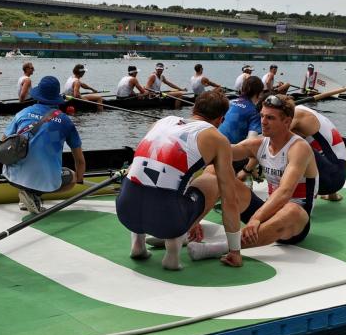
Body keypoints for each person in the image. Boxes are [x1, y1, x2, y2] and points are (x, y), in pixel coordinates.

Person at [116, 91, 243, 270]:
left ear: (193, 108)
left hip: (125, 212)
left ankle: (138, 244)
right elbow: (230, 199)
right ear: (220, 120)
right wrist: (235, 251)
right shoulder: (217, 139)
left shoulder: (161, 122)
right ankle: (172, 255)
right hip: (167, 220)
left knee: (142, 175)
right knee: (212, 181)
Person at [190, 94, 317, 261]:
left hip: (296, 222)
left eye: (270, 118)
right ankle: (185, 228)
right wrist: (195, 136)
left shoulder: (299, 148)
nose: (263, 121)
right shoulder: (259, 144)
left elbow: (285, 192)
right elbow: (222, 151)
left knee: (292, 210)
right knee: (213, 172)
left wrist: (257, 217)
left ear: (287, 122)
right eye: (262, 116)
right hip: (269, 211)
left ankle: (220, 248)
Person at [0, 76, 85, 213]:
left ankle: (26, 195)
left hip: (11, 176)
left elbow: (0, 146)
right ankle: (34, 195)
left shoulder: (22, 113)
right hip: (44, 180)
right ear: (56, 98)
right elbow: (79, 160)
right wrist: (79, 179)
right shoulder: (66, 122)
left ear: (38, 95)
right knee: (71, 176)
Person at [291, 104, 346, 201]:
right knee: (324, 146)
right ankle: (332, 195)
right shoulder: (310, 113)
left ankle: (282, 197)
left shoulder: (297, 115)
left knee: (290, 145)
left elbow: (275, 138)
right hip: (339, 176)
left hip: (327, 180)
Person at [218, 76, 264, 143]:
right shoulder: (254, 113)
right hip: (230, 149)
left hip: (214, 142)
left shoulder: (230, 102)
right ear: (259, 93)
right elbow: (251, 141)